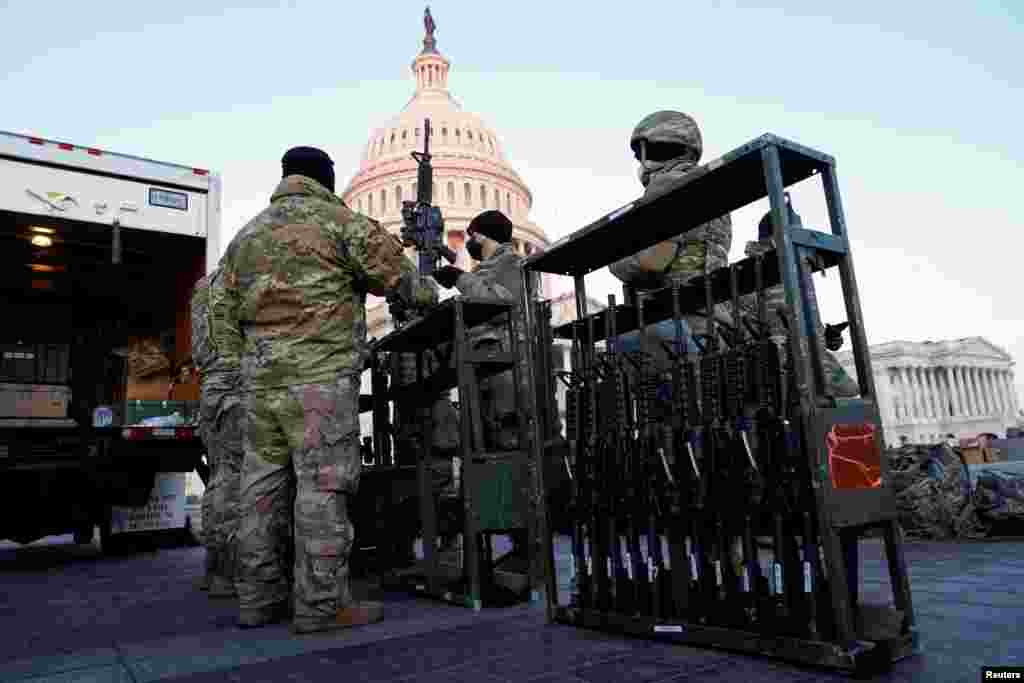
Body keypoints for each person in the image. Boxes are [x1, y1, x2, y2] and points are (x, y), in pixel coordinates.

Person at [212, 146, 439, 633]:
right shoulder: (340, 223)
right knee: (322, 488)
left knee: (259, 491)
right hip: (318, 381)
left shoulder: (246, 236)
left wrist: (245, 369)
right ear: (326, 178)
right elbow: (406, 284)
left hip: (259, 386)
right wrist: (424, 290)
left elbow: (223, 316)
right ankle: (319, 605)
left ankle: (257, 599)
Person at [608, 110, 733, 357]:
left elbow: (653, 262)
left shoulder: (666, 185)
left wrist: (616, 259)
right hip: (714, 324)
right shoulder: (710, 187)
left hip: (677, 329)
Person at [191, 268, 244, 598]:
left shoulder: (202, 287)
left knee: (219, 477)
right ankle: (227, 572)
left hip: (211, 387)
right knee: (235, 481)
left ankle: (213, 568)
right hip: (235, 385)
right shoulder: (240, 280)